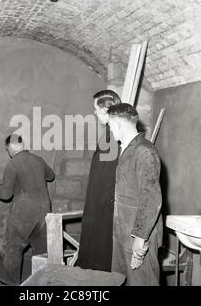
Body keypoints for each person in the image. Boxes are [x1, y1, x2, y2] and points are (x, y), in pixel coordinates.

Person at [108, 103, 163, 286]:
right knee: (121, 280)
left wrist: (140, 239)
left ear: (118, 124)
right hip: (123, 231)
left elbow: (151, 199)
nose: (109, 129)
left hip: (137, 236)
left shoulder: (144, 151)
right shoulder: (128, 148)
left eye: (110, 125)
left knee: (142, 282)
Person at [0, 134, 55, 285]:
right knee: (42, 250)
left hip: (24, 210)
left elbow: (5, 194)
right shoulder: (38, 159)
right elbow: (51, 175)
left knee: (14, 247)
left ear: (10, 147)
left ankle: (10, 283)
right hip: (44, 208)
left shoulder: (13, 164)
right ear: (22, 145)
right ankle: (42, 282)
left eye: (7, 149)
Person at [76, 90, 121, 272]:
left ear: (106, 110)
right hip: (98, 205)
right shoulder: (108, 134)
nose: (94, 113)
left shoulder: (114, 137)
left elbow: (109, 178)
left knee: (100, 256)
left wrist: (102, 205)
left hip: (103, 210)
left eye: (96, 109)